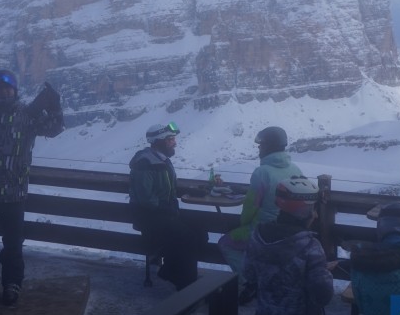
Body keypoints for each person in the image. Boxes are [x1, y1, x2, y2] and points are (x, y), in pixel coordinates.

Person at [0, 69, 63, 307]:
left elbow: (54, 129)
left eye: (7, 89)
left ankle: (12, 283)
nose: (3, 93)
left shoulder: (27, 114)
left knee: (13, 244)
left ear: (14, 90)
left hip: (14, 193)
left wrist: (55, 105)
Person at [243, 176, 333, 315]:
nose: (315, 214)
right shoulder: (310, 246)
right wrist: (324, 272)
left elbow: (249, 274)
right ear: (303, 212)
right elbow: (323, 294)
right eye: (312, 209)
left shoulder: (257, 236)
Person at [128, 122, 207, 290]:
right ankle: (185, 284)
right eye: (170, 139)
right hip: (148, 216)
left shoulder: (161, 160)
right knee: (187, 237)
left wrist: (196, 191)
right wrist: (167, 208)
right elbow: (145, 198)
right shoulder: (145, 163)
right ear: (159, 141)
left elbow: (169, 188)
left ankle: (171, 271)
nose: (174, 143)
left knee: (200, 231)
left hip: (163, 213)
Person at [218, 126, 304, 276]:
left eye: (261, 144)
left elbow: (251, 207)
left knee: (226, 243)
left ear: (269, 146)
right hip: (290, 231)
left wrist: (243, 224)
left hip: (262, 231)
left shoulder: (262, 173)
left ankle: (247, 280)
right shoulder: (295, 169)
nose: (259, 147)